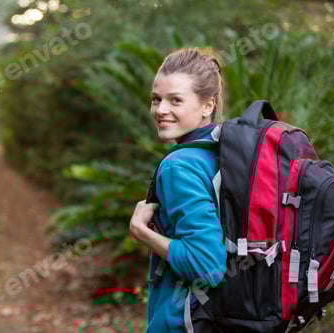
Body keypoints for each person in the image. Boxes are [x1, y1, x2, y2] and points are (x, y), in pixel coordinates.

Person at [129, 47, 227, 332]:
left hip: (184, 321)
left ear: (208, 106)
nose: (160, 110)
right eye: (156, 99)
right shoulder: (219, 151)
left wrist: (141, 232)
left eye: (175, 100)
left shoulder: (179, 166)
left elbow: (208, 265)